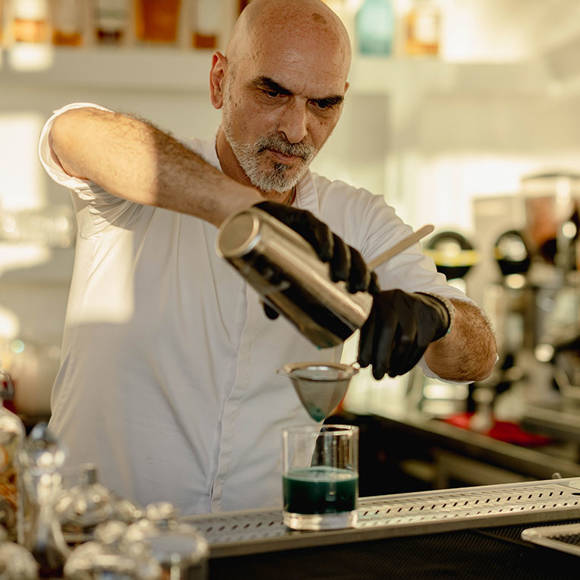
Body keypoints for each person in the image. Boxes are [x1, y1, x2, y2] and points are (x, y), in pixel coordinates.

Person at [38, 0, 496, 515]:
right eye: (273, 91)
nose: (297, 129)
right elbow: (71, 131)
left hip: (262, 551)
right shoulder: (144, 181)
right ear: (219, 81)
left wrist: (439, 318)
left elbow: (477, 356)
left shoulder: (359, 219)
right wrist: (249, 212)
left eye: (323, 105)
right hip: (100, 545)